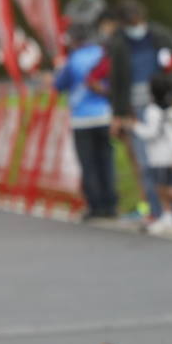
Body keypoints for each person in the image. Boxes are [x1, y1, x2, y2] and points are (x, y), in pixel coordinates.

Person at [107, 0, 172, 221]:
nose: (134, 25)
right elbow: (116, 81)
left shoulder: (161, 36)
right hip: (135, 109)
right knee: (145, 162)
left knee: (171, 159)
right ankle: (155, 208)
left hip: (164, 105)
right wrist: (119, 114)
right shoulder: (118, 44)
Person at [54, 20, 117, 220]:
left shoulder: (73, 59)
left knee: (88, 163)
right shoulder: (102, 54)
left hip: (81, 118)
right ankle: (110, 205)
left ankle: (95, 206)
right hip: (104, 114)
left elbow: (59, 85)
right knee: (106, 161)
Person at [135, 68, 172, 232]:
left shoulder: (152, 110)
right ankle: (168, 215)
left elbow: (151, 133)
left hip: (159, 155)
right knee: (164, 185)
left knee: (162, 187)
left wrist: (136, 126)